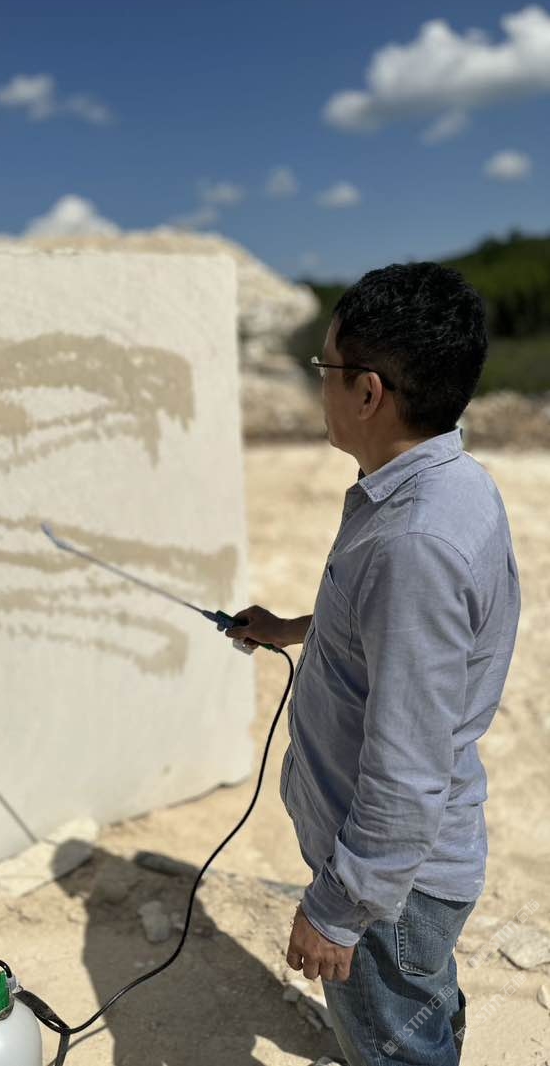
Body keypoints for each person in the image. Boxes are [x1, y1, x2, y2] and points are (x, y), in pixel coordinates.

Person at [224, 262, 521, 1066]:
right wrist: (293, 628)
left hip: (391, 887)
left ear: (367, 392)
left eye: (324, 367)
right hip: (399, 874)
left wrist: (337, 911)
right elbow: (391, 637)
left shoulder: (413, 542)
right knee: (420, 1014)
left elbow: (406, 767)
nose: (316, 385)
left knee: (396, 1046)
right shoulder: (440, 486)